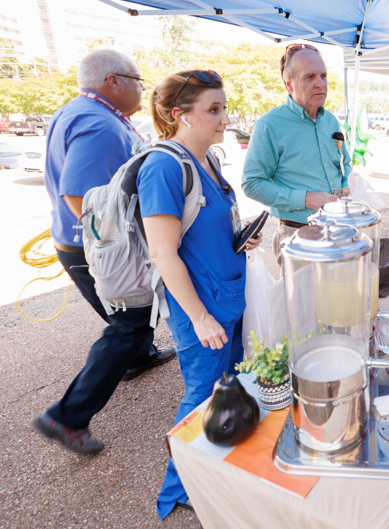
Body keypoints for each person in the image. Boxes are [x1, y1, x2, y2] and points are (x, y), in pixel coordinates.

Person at [31, 49, 176, 455]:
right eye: (138, 80)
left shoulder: (79, 111)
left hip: (75, 241)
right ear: (114, 81)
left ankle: (137, 358)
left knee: (133, 322)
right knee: (130, 322)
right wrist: (114, 245)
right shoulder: (100, 125)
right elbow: (78, 192)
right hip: (93, 248)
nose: (141, 88)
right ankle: (67, 416)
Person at [139, 70, 263, 518]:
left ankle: (217, 463)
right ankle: (178, 488)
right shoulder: (163, 167)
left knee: (228, 387)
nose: (225, 118)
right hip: (202, 310)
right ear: (180, 115)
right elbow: (163, 253)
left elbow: (207, 227)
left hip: (226, 296)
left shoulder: (207, 159)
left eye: (224, 108)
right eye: (214, 110)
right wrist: (199, 317)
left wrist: (241, 237)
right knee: (200, 397)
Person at [242, 43, 351, 261]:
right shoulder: (269, 125)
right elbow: (252, 184)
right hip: (298, 234)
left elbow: (344, 163)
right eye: (309, 77)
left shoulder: (330, 120)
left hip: (339, 227)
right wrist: (306, 199)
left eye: (323, 76)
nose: (320, 84)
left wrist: (349, 181)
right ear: (289, 85)